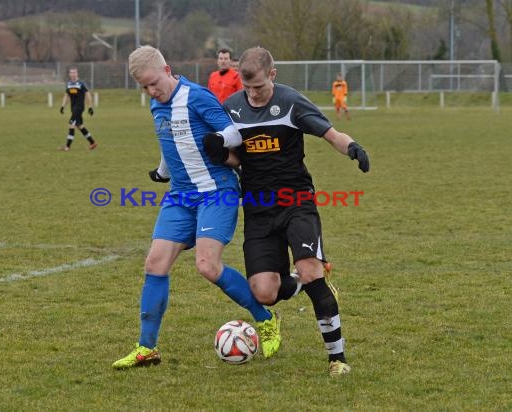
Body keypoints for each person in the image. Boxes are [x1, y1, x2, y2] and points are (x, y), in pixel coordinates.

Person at [204, 47, 370, 377]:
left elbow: (331, 134)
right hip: (258, 210)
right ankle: (306, 281)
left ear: (273, 75)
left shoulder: (292, 101)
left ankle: (336, 358)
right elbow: (237, 159)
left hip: (296, 202)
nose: (252, 94)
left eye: (259, 87)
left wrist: (352, 148)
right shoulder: (233, 108)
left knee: (310, 270)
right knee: (265, 293)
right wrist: (220, 155)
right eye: (246, 87)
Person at [111, 45, 281, 370]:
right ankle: (147, 348)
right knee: (154, 263)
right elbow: (169, 141)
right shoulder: (156, 105)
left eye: (152, 83)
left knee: (207, 265)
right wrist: (162, 171)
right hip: (181, 195)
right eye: (144, 87)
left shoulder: (197, 96)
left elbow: (232, 133)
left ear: (167, 69)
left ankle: (266, 318)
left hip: (216, 190)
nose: (151, 91)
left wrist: (219, 142)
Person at [59, 67, 97, 151]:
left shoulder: (81, 83)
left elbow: (88, 94)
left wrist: (90, 107)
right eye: (71, 73)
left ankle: (67, 147)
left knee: (71, 125)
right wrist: (62, 106)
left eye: (74, 73)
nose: (73, 74)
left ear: (77, 74)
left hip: (79, 108)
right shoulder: (68, 84)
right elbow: (66, 95)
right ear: (69, 74)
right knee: (80, 126)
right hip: (73, 108)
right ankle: (92, 142)